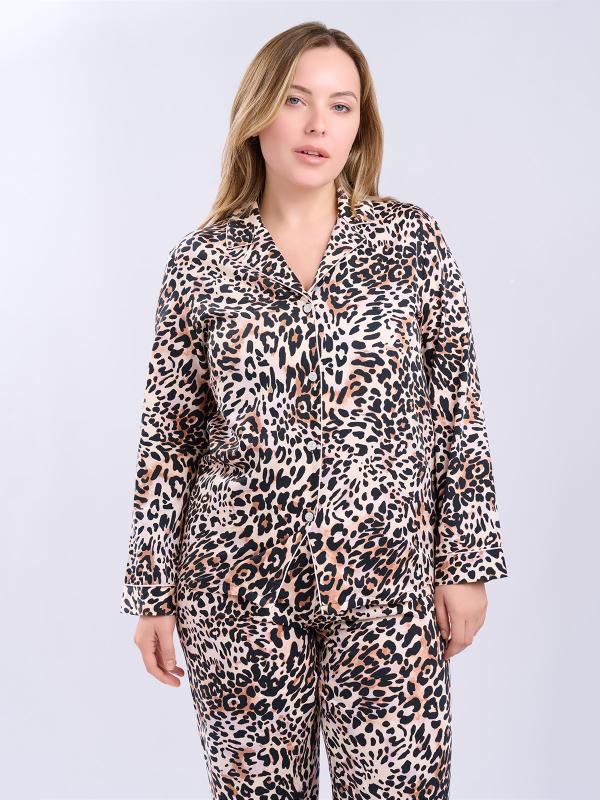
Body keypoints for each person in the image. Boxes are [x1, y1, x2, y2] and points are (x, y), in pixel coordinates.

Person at [120, 21, 508, 800]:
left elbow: (459, 411)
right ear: (259, 112)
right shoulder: (201, 263)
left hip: (388, 583)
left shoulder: (410, 241)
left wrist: (466, 565)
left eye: (340, 105)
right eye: (296, 100)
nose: (317, 125)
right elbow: (168, 438)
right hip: (236, 591)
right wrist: (149, 594)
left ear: (361, 124)